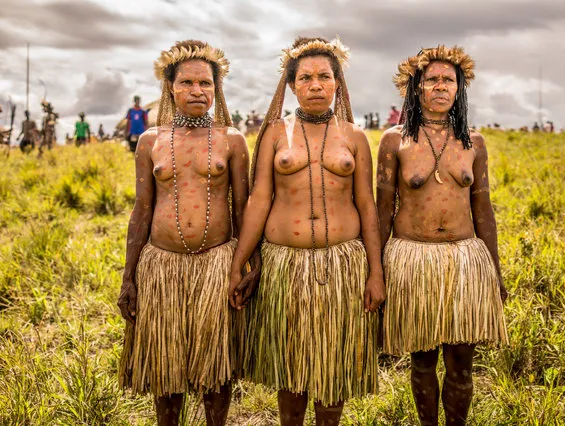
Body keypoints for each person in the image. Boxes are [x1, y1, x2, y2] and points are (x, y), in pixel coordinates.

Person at [229, 36, 384, 425]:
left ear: (337, 83)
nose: (315, 85)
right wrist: (240, 263)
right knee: (292, 373)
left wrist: (376, 273)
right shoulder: (275, 133)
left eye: (324, 77)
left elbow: (367, 204)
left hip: (342, 266)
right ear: (292, 85)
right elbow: (259, 200)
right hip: (286, 267)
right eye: (306, 78)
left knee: (333, 371)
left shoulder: (354, 136)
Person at [117, 40, 254, 426]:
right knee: (166, 367)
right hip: (160, 268)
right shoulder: (150, 141)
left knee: (216, 369)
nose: (198, 91)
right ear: (171, 88)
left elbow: (243, 209)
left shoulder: (232, 140)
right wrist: (129, 277)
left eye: (206, 84)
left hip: (216, 265)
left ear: (216, 89)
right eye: (188, 83)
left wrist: (246, 265)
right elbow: (141, 209)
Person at [377, 45, 508, 425]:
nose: (439, 86)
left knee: (461, 364)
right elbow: (381, 210)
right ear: (416, 88)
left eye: (447, 80)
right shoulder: (394, 140)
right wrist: (377, 270)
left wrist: (494, 273)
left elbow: (483, 211)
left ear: (459, 88)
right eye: (430, 79)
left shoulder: (473, 141)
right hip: (412, 260)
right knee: (421, 361)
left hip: (465, 261)